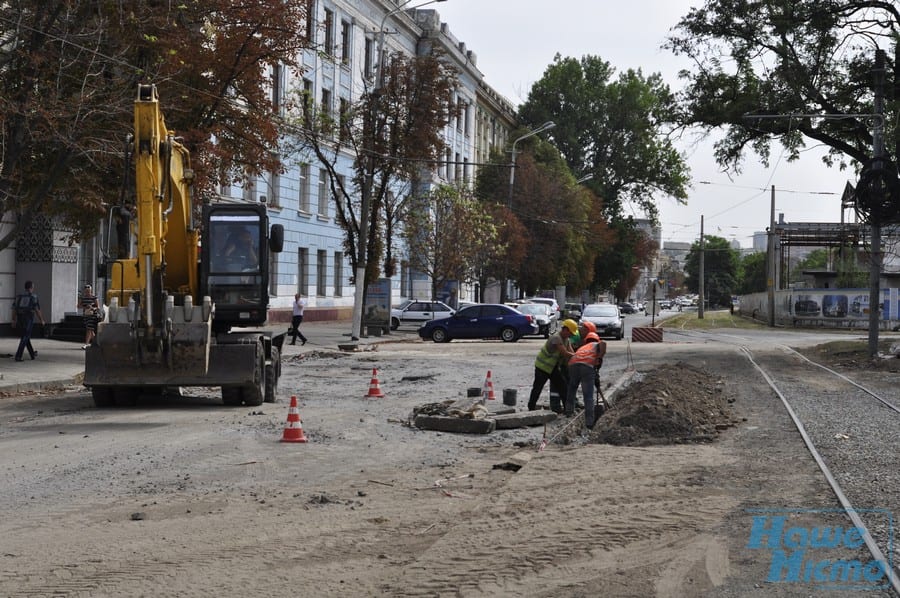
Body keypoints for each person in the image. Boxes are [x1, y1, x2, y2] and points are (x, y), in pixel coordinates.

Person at [527, 318, 577, 413]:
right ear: (565, 329)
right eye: (570, 332)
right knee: (538, 388)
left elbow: (571, 352)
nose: (571, 335)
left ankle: (568, 409)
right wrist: (578, 356)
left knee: (562, 387)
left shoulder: (566, 339)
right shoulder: (556, 338)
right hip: (542, 367)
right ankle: (531, 407)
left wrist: (576, 357)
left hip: (552, 368)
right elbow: (565, 353)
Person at [565, 331, 607, 427]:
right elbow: (604, 343)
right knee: (588, 396)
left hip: (573, 365)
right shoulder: (596, 344)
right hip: (587, 366)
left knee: (572, 389)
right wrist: (600, 358)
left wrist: (595, 371)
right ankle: (589, 422)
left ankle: (568, 411)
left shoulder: (582, 347)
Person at [12, 280, 45, 362]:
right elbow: (37, 310)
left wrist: (13, 320)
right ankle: (18, 356)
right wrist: (42, 320)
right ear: (31, 287)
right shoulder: (33, 297)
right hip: (28, 318)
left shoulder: (18, 296)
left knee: (25, 336)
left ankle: (32, 354)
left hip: (20, 318)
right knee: (25, 337)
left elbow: (14, 309)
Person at [79, 284, 100, 349]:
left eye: (89, 291)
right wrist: (85, 307)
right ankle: (96, 343)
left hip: (93, 315)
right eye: (86, 291)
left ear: (91, 291)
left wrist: (92, 308)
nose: (88, 292)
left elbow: (98, 307)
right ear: (85, 291)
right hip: (86, 315)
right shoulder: (83, 298)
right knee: (91, 330)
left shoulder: (94, 297)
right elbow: (78, 306)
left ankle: (86, 344)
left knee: (89, 329)